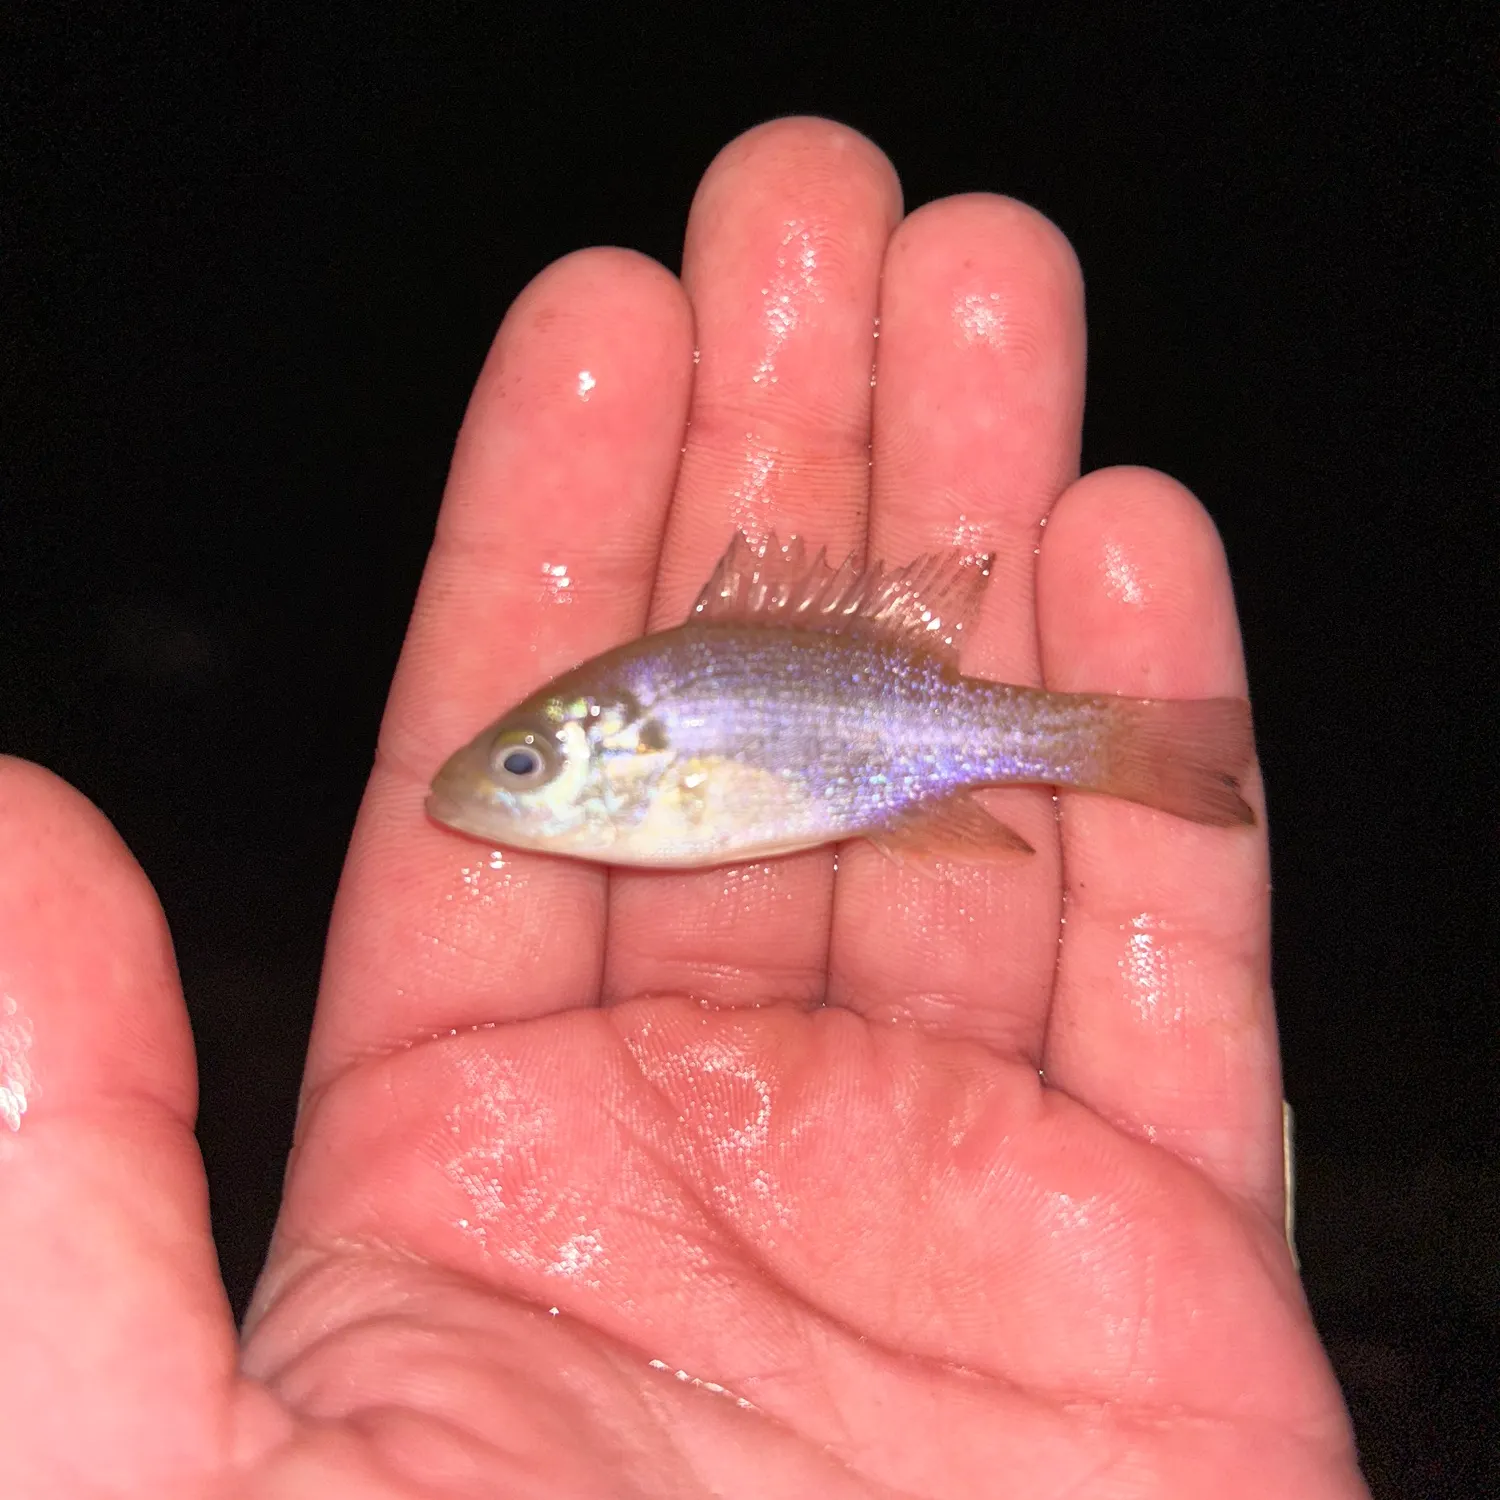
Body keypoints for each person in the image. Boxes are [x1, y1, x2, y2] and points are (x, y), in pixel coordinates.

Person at [0, 118, 1369, 1498]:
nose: (492, 793)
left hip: (915, 751)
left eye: (524, 768)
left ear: (613, 757)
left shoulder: (668, 742)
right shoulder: (642, 751)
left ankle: (1125, 744)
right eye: (523, 767)